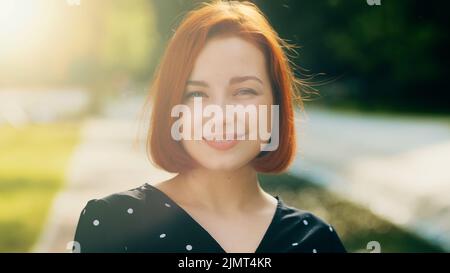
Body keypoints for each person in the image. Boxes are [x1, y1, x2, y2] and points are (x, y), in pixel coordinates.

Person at [73, 0, 346, 253]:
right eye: (197, 94)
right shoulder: (113, 225)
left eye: (244, 91)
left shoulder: (317, 241)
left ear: (275, 105)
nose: (221, 115)